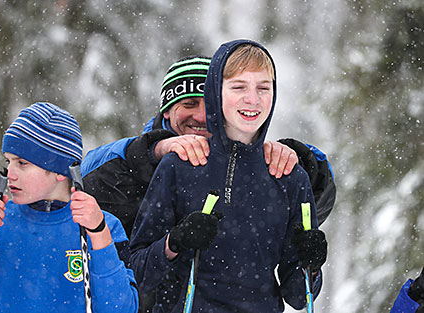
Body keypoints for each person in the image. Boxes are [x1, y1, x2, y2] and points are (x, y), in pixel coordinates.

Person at [129, 39, 327, 312]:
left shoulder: (289, 177)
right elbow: (137, 272)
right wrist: (174, 242)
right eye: (239, 87)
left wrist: (312, 267)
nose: (252, 99)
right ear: (215, 92)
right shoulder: (180, 165)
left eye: (263, 88)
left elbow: (298, 296)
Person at [80, 55, 336, 238]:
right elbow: (84, 178)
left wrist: (298, 160)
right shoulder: (138, 160)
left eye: (210, 105)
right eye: (189, 104)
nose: (201, 116)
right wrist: (152, 153)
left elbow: (318, 200)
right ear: (167, 111)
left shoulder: (241, 162)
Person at [0, 102, 138, 312]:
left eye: (22, 163)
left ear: (60, 170)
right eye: (9, 162)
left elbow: (120, 308)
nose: (10, 173)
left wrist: (99, 235)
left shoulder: (104, 226)